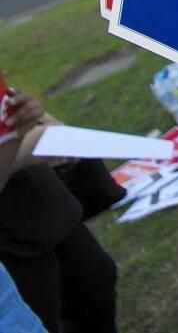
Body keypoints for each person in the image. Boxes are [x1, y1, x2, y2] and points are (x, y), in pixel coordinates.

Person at [0, 86, 119, 333]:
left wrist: (28, 116)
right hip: (10, 242)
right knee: (39, 312)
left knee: (95, 276)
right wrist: (25, 143)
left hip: (41, 201)